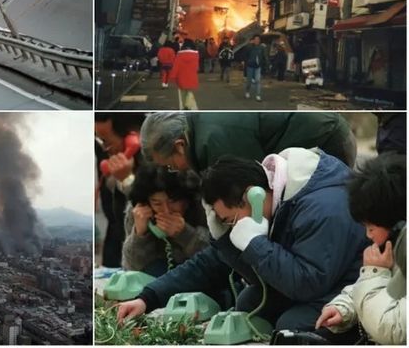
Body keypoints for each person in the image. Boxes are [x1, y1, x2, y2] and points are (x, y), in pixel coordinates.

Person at [116, 149, 368, 332]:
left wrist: (255, 242)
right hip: (307, 281)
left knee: (293, 327)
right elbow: (208, 264)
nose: (231, 226)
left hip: (345, 287)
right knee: (248, 303)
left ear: (252, 197)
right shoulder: (274, 202)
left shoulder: (323, 208)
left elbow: (307, 283)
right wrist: (147, 298)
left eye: (229, 219)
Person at [315, 152, 406, 345]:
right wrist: (345, 308)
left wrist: (374, 272)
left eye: (371, 227)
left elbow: (395, 331)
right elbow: (384, 287)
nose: (368, 235)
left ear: (398, 224)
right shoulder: (394, 246)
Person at [139, 112, 358, 173]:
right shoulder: (202, 129)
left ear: (179, 145)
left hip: (325, 140)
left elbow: (255, 191)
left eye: (170, 165)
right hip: (325, 130)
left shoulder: (216, 142)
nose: (174, 170)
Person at [122, 165, 209, 276]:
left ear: (186, 199)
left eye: (173, 202)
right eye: (157, 204)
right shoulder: (138, 212)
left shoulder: (202, 206)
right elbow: (132, 268)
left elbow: (216, 256)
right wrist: (140, 234)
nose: (166, 210)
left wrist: (186, 234)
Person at [95, 113, 146, 268]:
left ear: (132, 139)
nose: (105, 149)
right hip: (115, 241)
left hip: (139, 253)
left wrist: (127, 180)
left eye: (106, 141)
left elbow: (145, 210)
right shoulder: (112, 160)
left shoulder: (151, 164)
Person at [170, 41, 199, 110]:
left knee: (182, 91)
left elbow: (176, 66)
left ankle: (184, 105)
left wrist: (173, 75)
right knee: (189, 91)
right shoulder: (195, 55)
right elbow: (196, 67)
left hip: (181, 76)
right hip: (191, 75)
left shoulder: (179, 55)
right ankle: (188, 105)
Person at [244, 34, 267, 101]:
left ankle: (258, 95)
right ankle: (247, 91)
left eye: (258, 39)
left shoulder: (262, 47)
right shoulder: (249, 47)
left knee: (258, 81)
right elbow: (245, 55)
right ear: (253, 40)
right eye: (256, 39)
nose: (257, 41)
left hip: (258, 67)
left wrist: (267, 64)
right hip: (250, 66)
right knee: (249, 81)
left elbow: (264, 56)